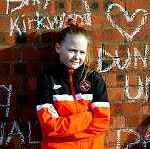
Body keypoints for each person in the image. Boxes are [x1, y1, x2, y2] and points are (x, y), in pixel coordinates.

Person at [36, 19, 110, 149]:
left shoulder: (95, 79)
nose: (77, 56)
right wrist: (87, 116)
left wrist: (63, 129)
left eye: (82, 52)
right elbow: (49, 126)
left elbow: (102, 124)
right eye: (72, 50)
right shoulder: (47, 80)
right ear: (58, 48)